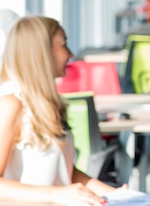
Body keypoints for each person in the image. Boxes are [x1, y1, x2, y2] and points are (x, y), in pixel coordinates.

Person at [0, 15, 121, 205]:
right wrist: (55, 194)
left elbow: (63, 171)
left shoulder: (46, 104)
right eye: (64, 44)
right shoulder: (10, 104)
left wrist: (116, 195)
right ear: (43, 51)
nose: (70, 54)